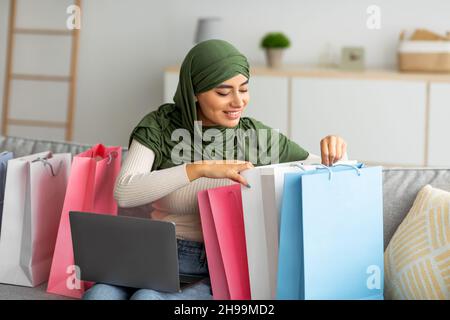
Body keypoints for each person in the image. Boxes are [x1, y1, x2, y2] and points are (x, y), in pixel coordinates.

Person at [83, 39, 348, 300]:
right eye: (223, 92)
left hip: (219, 263)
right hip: (155, 253)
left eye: (243, 89)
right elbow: (125, 191)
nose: (238, 102)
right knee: (99, 294)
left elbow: (332, 170)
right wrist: (200, 169)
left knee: (146, 298)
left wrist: (336, 150)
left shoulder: (256, 136)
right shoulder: (160, 126)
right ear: (194, 92)